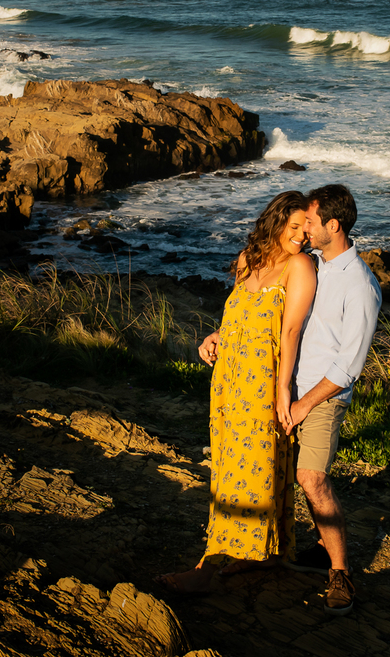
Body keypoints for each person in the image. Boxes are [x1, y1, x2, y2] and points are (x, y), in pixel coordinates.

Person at [155, 191, 316, 594]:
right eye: (294, 226)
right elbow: (238, 319)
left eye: (306, 228)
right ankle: (263, 553)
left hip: (263, 385)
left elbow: (290, 332)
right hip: (229, 381)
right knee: (229, 467)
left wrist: (283, 392)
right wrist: (215, 337)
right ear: (275, 222)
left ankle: (207, 567)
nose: (301, 235)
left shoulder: (300, 266)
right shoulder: (247, 260)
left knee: (254, 470)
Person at [282, 183, 382, 616]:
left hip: (324, 397)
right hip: (291, 389)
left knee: (312, 478)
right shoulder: (312, 265)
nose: (305, 228)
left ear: (333, 226)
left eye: (310, 221)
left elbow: (349, 365)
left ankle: (341, 573)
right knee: (293, 475)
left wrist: (304, 404)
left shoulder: (360, 285)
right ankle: (323, 548)